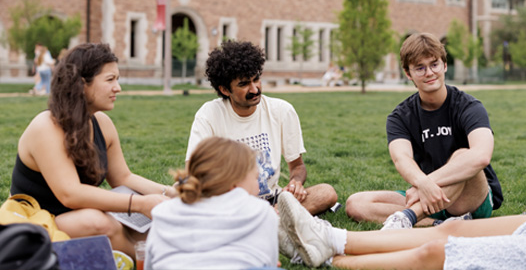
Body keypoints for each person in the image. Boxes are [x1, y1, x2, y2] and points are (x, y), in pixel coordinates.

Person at [277, 36, 526, 270]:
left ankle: (327, 255)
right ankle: (330, 236)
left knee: (437, 254)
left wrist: (425, 189)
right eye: (419, 67)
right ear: (410, 73)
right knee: (452, 231)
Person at [10, 43, 172, 259]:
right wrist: (140, 204)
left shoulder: (102, 124)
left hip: (76, 214)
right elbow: (70, 194)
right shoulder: (46, 127)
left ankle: (145, 257)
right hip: (35, 219)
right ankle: (156, 262)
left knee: (153, 225)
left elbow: (123, 177)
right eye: (110, 80)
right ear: (81, 84)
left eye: (117, 79)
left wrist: (168, 192)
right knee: (99, 223)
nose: (118, 88)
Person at [186, 40, 338, 261]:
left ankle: (266, 223)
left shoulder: (282, 110)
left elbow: (297, 167)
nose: (255, 89)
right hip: (230, 205)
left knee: (327, 193)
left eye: (256, 79)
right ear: (224, 89)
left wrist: (295, 183)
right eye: (244, 84)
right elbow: (196, 174)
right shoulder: (208, 115)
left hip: (274, 202)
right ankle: (270, 226)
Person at [346, 33, 503, 229]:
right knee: (356, 203)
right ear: (408, 73)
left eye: (434, 64)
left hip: (469, 199)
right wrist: (424, 185)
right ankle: (438, 224)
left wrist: (425, 183)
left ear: (444, 65)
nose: (429, 72)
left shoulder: (468, 106)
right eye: (420, 68)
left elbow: (481, 156)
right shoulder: (400, 116)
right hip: (427, 197)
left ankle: (408, 217)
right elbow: (401, 159)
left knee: (463, 155)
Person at [145, 136, 279, 269]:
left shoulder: (163, 212)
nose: (259, 186)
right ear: (234, 183)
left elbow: (151, 265)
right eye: (256, 178)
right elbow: (269, 261)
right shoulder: (261, 211)